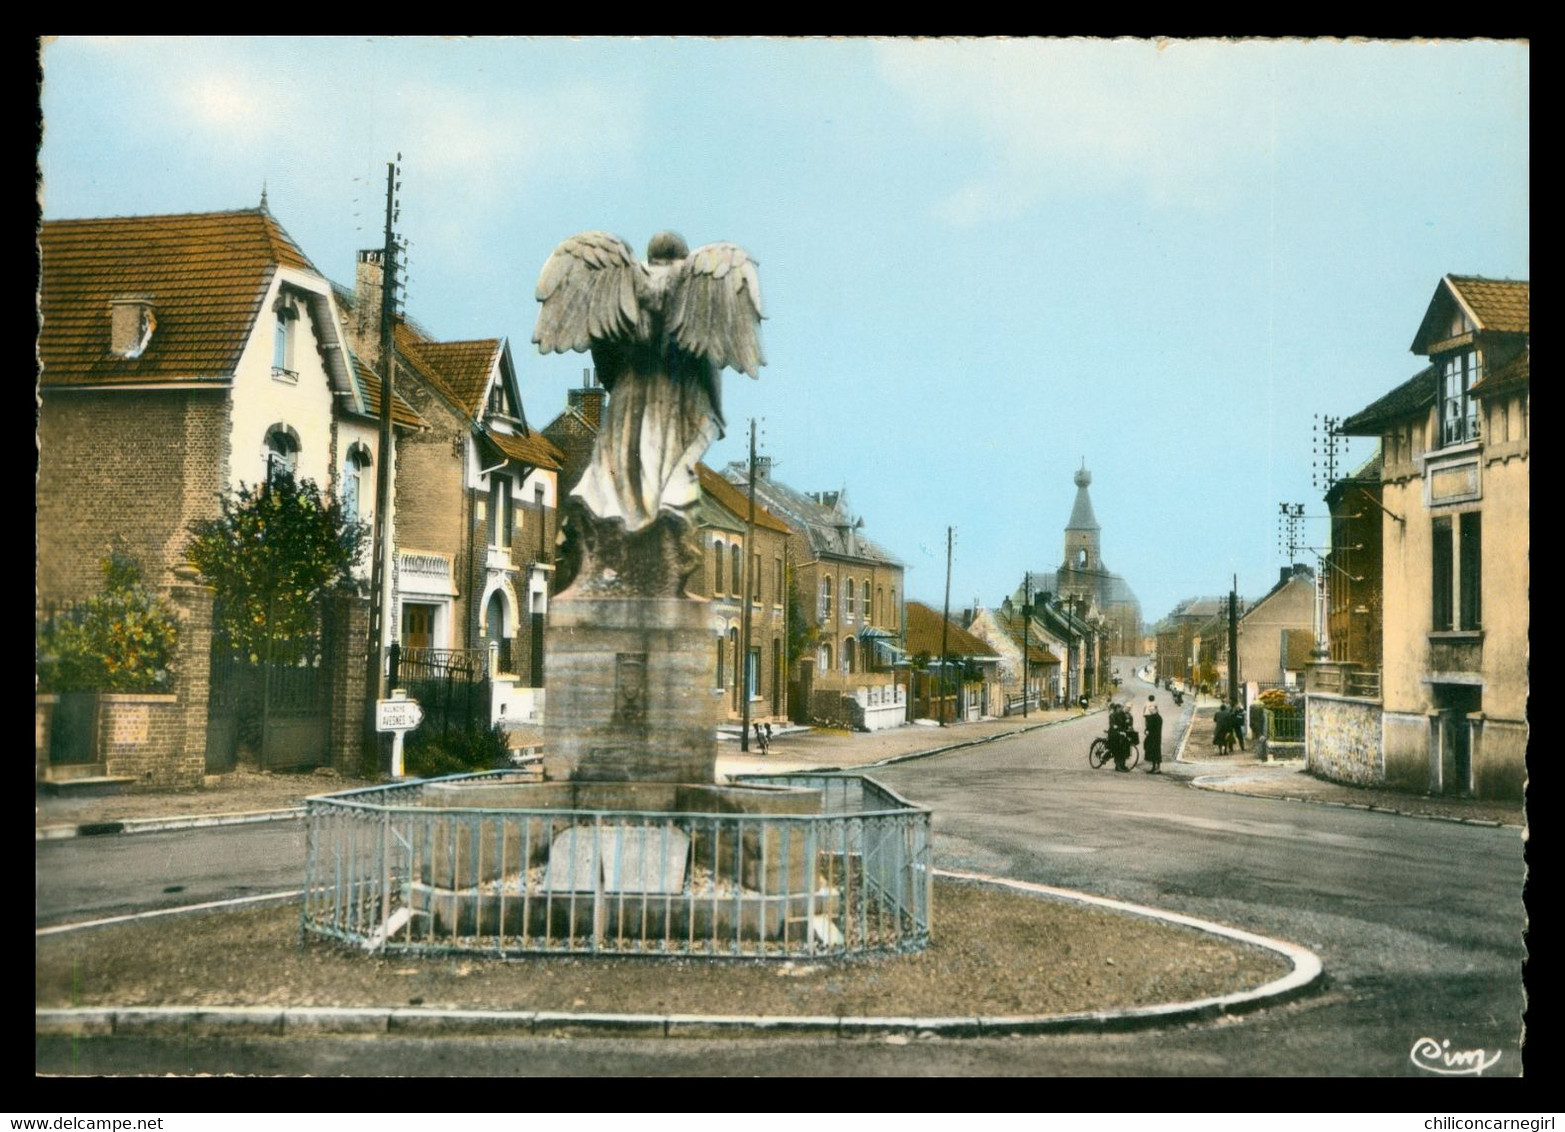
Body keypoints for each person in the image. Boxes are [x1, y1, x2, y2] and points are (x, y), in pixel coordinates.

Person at [1108, 700, 1136, 772]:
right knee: (1118, 747)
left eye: (1121, 708)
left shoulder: (1123, 714)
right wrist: (1116, 728)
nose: (1121, 709)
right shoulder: (1112, 715)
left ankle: (1122, 764)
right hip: (1114, 733)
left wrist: (1128, 727)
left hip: (1121, 733)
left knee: (1125, 747)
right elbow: (1112, 724)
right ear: (1117, 708)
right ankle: (1118, 765)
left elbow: (1125, 723)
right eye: (1120, 707)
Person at [1142, 695, 1163, 773]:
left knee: (1155, 752)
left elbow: (1152, 727)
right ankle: (1155, 767)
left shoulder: (1156, 718)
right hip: (1155, 737)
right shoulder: (1156, 717)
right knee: (1154, 752)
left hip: (1155, 737)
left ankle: (1156, 768)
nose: (1151, 712)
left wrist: (1148, 729)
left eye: (1152, 711)